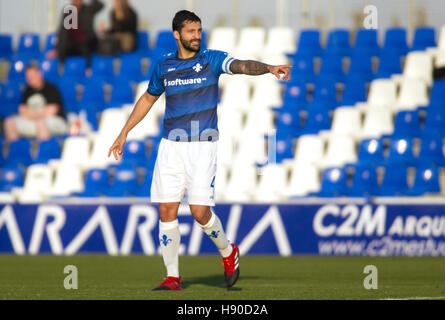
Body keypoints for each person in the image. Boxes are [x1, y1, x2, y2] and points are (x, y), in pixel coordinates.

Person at [108, 10, 292, 291]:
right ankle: (172, 277)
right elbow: (147, 98)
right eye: (191, 31)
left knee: (199, 212)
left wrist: (268, 68)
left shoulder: (211, 59)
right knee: (166, 209)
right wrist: (124, 132)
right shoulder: (164, 66)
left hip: (202, 146)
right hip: (170, 146)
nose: (197, 36)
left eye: (199, 30)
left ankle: (228, 251)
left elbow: (241, 65)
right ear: (177, 35)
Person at [3, 65, 67, 142]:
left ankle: (44, 151)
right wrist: (39, 113)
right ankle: (17, 151)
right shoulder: (27, 90)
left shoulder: (51, 88)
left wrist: (31, 113)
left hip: (55, 121)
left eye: (32, 75)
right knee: (9, 122)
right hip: (32, 120)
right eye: (28, 76)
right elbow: (22, 110)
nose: (30, 79)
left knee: (40, 123)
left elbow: (52, 110)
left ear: (39, 74)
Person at [47, 0, 104, 65]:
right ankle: (62, 70)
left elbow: (100, 5)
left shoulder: (89, 9)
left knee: (87, 51)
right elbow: (63, 33)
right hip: (73, 44)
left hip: (87, 43)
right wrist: (57, 49)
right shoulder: (69, 11)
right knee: (62, 51)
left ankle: (88, 70)